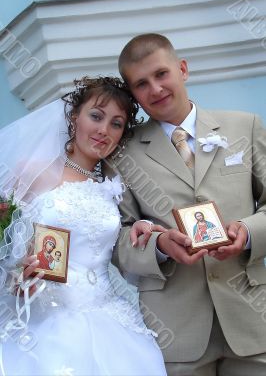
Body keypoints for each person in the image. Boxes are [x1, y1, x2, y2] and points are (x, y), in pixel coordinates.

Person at [106, 33, 266, 375]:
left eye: (161, 74)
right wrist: (160, 246)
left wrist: (248, 232)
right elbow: (116, 241)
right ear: (132, 93)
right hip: (175, 331)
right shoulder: (122, 152)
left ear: (182, 69)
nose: (156, 89)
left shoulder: (245, 126)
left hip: (253, 322)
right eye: (141, 84)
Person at [0, 76, 167, 375]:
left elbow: (112, 251)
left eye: (116, 123)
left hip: (111, 320)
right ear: (75, 117)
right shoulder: (32, 171)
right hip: (44, 322)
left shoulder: (114, 187)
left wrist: (137, 230)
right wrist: (18, 277)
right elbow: (6, 243)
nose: (104, 130)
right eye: (96, 116)